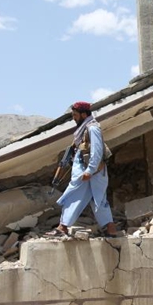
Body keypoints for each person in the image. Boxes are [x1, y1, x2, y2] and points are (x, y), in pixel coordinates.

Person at [47, 101, 119, 238]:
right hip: (88, 170)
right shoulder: (83, 129)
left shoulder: (92, 128)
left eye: (75, 115)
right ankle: (109, 228)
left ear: (84, 114)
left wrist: (89, 170)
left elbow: (97, 151)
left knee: (87, 197)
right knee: (95, 198)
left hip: (92, 171)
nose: (74, 118)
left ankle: (63, 227)